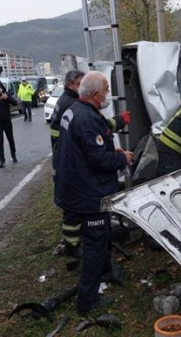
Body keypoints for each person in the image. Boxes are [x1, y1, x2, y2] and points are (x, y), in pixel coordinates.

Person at [54, 71, 133, 316]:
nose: (108, 93)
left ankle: (107, 271)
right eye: (107, 89)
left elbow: (96, 139)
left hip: (77, 187)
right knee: (95, 245)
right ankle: (87, 302)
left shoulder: (76, 110)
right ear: (96, 93)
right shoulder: (86, 117)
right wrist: (122, 157)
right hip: (88, 194)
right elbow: (98, 158)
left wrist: (116, 127)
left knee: (104, 233)